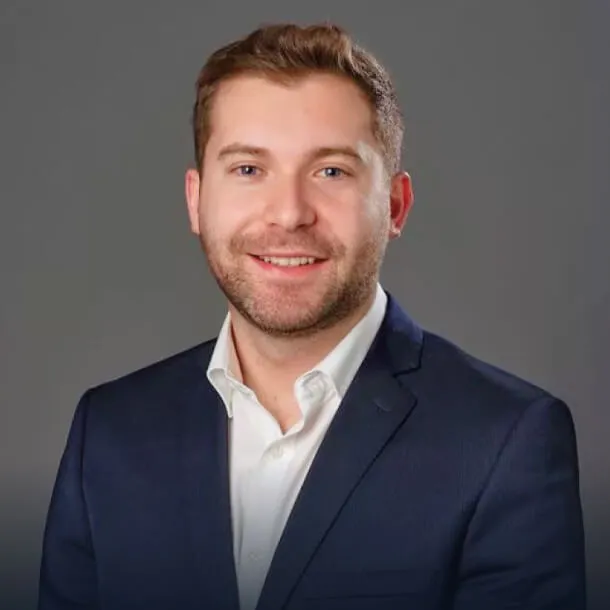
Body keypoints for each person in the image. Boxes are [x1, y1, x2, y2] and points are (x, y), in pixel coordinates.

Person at [38, 22, 586, 610]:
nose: (289, 213)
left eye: (331, 171)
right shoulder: (110, 431)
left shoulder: (506, 442)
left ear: (395, 206)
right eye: (248, 169)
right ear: (196, 200)